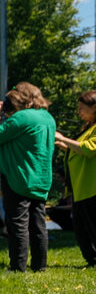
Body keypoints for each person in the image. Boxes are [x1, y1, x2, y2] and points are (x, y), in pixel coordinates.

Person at [0, 82, 57, 273]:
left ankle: (17, 267)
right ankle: (40, 266)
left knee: (17, 223)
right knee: (38, 224)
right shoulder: (48, 118)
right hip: (40, 178)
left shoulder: (22, 117)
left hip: (19, 177)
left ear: (20, 99)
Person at [54, 90, 96, 267]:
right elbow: (80, 150)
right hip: (80, 187)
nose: (78, 112)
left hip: (91, 187)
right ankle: (91, 260)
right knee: (80, 228)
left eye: (81, 108)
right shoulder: (88, 127)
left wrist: (64, 139)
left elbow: (88, 149)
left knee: (92, 226)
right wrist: (64, 146)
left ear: (94, 107)